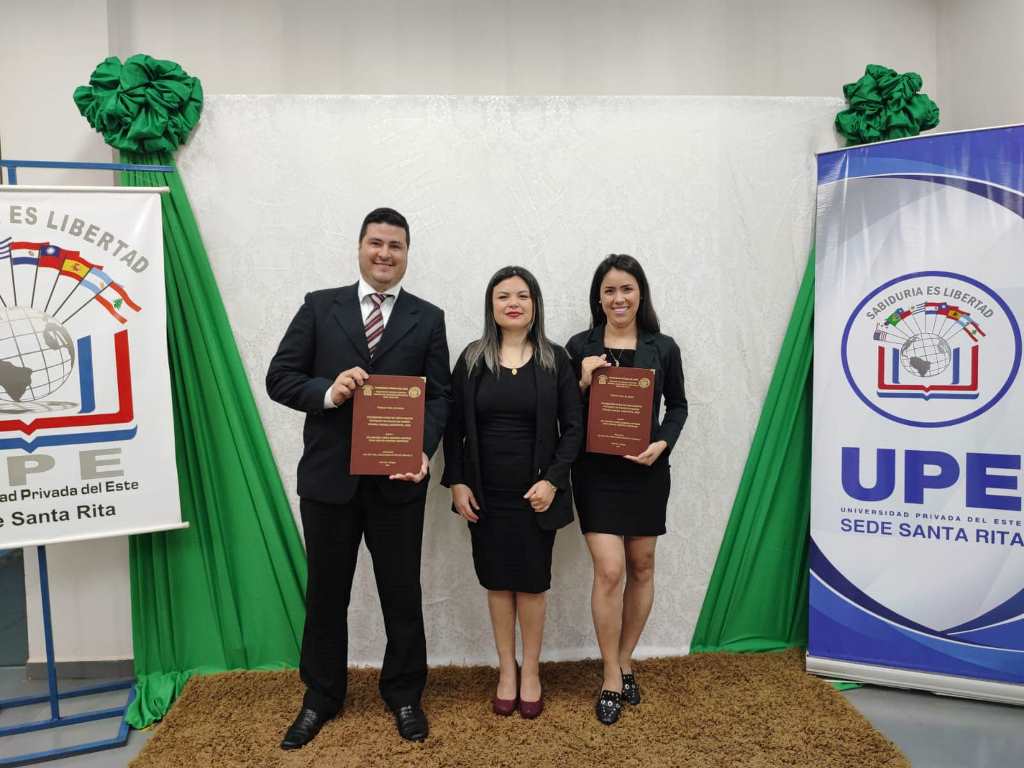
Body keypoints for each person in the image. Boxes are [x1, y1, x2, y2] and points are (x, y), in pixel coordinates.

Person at [266, 207, 452, 748]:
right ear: (359, 247)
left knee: (402, 593)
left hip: (398, 483)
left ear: (407, 254)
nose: (385, 254)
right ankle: (321, 696)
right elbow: (281, 377)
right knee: (326, 593)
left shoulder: (428, 317)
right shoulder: (319, 307)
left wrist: (423, 449)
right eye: (376, 243)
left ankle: (404, 695)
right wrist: (327, 391)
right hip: (329, 482)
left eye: (396, 245)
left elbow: (440, 396)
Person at [442, 266, 582, 719]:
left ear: (535, 305)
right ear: (492, 306)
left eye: (522, 295)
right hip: (486, 494)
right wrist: (458, 482)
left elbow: (574, 429)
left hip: (536, 495)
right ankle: (506, 668)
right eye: (503, 296)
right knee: (498, 583)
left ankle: (533, 671)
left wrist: (553, 481)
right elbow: (453, 428)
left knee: (532, 585)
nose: (513, 302)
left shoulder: (555, 359)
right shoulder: (471, 359)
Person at [566, 254, 688, 726]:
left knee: (642, 565)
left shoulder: (664, 347)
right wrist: (581, 381)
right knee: (610, 571)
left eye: (627, 289)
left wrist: (662, 442)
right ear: (599, 297)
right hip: (596, 475)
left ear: (641, 294)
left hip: (646, 472)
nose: (619, 298)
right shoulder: (579, 346)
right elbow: (564, 415)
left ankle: (626, 658)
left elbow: (677, 406)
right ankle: (611, 676)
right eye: (610, 290)